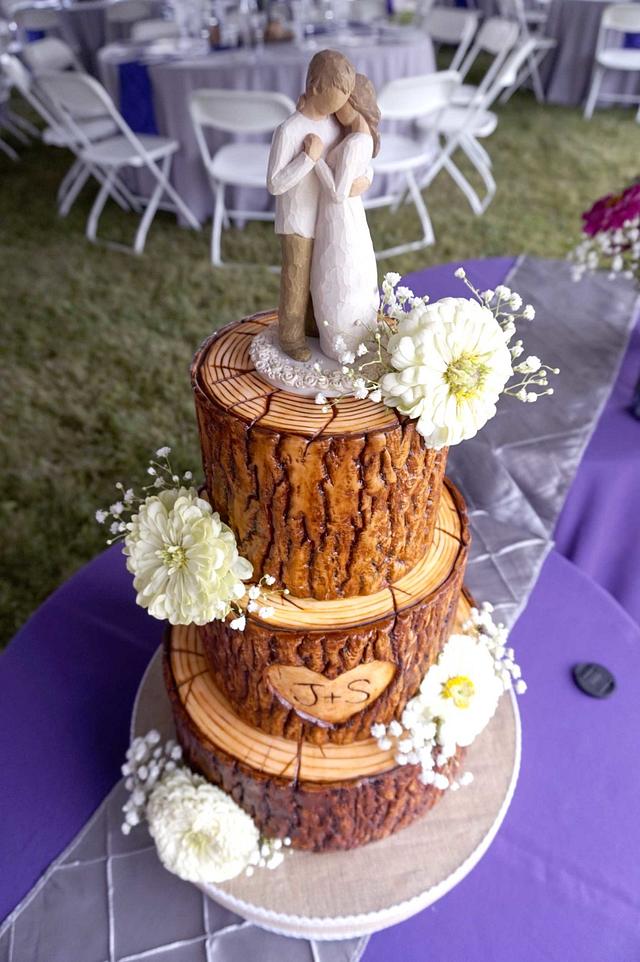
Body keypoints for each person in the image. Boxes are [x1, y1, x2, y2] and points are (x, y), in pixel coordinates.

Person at [266, 50, 370, 362]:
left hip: (326, 218)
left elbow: (356, 157)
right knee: (296, 278)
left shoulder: (335, 127)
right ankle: (291, 336)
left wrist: (365, 178)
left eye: (348, 93)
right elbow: (274, 183)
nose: (345, 100)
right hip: (296, 218)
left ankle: (314, 326)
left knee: (319, 277)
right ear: (315, 87)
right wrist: (307, 159)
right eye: (339, 92)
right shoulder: (289, 130)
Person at [310, 73, 381, 361]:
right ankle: (344, 337)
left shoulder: (354, 143)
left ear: (355, 103)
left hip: (339, 212)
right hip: (345, 215)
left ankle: (342, 343)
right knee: (341, 269)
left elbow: (338, 192)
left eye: (342, 103)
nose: (336, 109)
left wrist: (315, 162)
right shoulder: (355, 138)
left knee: (337, 271)